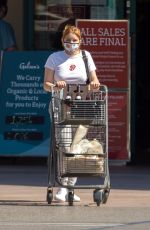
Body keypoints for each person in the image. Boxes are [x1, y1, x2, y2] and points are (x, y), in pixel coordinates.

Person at [44, 25, 100, 202]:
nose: (71, 44)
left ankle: (71, 186)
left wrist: (94, 85)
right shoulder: (54, 58)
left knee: (77, 147)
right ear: (62, 41)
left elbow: (94, 80)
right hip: (61, 105)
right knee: (65, 145)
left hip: (81, 106)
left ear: (80, 41)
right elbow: (46, 84)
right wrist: (56, 85)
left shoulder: (86, 56)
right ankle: (62, 186)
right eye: (68, 41)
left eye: (74, 41)